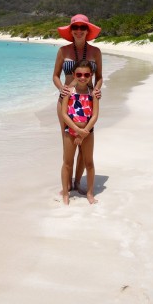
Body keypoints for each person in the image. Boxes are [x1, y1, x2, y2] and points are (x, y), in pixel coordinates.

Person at [52, 14, 103, 193]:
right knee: (68, 142)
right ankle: (66, 184)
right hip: (66, 102)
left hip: (88, 101)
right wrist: (61, 88)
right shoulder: (63, 51)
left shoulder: (95, 52)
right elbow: (56, 76)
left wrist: (96, 89)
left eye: (83, 28)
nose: (79, 31)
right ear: (71, 31)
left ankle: (77, 183)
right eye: (76, 28)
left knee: (84, 141)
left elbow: (100, 77)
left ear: (88, 31)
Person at [61, 60, 99, 205]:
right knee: (67, 163)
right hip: (70, 131)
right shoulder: (68, 91)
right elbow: (64, 114)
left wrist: (84, 132)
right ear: (73, 74)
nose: (83, 77)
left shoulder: (93, 93)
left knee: (89, 163)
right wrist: (77, 130)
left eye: (86, 74)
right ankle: (65, 193)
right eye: (79, 74)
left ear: (91, 75)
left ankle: (90, 193)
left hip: (88, 132)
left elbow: (95, 115)